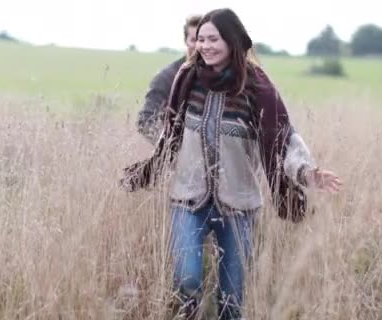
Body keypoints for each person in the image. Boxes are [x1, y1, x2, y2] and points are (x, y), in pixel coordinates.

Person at [121, 8, 342, 320]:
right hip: (188, 199)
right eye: (200, 39)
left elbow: (283, 137)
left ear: (232, 41)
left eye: (213, 39)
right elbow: (169, 130)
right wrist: (154, 163)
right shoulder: (186, 79)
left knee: (231, 299)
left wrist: (308, 172)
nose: (205, 46)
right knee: (187, 280)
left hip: (239, 206)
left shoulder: (257, 89)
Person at [136, 14, 202, 144]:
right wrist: (172, 148)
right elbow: (146, 121)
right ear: (186, 41)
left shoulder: (219, 76)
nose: (199, 46)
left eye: (203, 40)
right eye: (194, 40)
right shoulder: (167, 77)